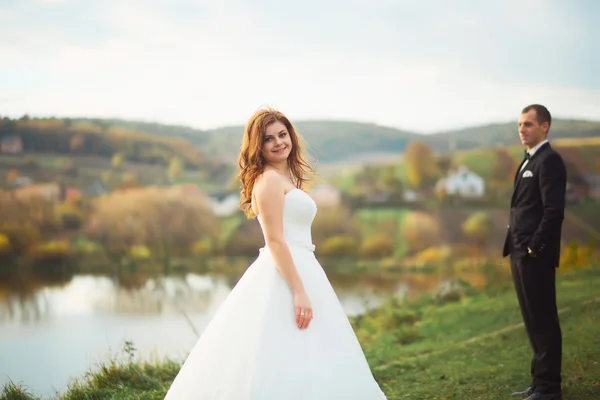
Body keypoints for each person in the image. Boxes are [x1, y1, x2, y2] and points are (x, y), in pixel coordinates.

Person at [164, 107, 387, 399]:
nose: (279, 142)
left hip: (304, 265)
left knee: (310, 348)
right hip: (285, 272)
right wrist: (298, 291)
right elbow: (276, 242)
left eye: (282, 134)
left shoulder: (287, 179)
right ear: (259, 146)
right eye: (269, 139)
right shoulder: (268, 181)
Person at [503, 104, 566, 400]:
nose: (522, 129)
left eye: (528, 124)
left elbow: (553, 211)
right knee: (531, 319)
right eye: (519, 124)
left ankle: (550, 388)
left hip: (533, 255)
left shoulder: (549, 161)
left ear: (545, 126)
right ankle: (538, 383)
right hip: (518, 253)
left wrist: (533, 247)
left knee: (543, 320)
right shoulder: (528, 161)